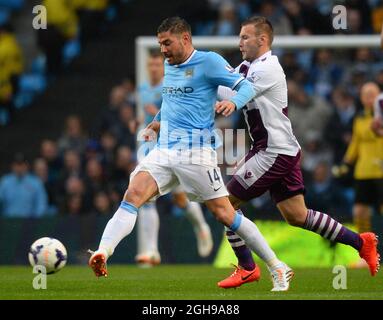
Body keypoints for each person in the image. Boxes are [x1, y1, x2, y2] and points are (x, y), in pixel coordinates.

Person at [89, 16, 291, 291]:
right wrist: (158, 120)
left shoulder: (209, 62)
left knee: (224, 213)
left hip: (195, 151)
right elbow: (171, 100)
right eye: (160, 44)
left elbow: (245, 86)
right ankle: (103, 252)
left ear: (185, 39)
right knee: (133, 195)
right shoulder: (170, 65)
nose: (163, 50)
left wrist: (233, 102)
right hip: (164, 150)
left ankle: (276, 265)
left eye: (167, 43)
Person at [214, 16, 380, 288]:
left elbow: (238, 91)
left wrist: (227, 96)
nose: (239, 42)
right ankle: (361, 242)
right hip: (282, 149)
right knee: (297, 216)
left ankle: (247, 267)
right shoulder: (246, 66)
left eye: (245, 37)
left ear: (262, 39)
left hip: (272, 151)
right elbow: (223, 86)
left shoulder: (269, 67)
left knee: (224, 205)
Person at [136, 50, 213, 265]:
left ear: (163, 67)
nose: (153, 68)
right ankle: (151, 251)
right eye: (150, 65)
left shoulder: (172, 86)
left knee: (180, 199)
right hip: (149, 146)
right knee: (145, 197)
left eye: (156, 65)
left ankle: (201, 226)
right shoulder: (142, 89)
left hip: (174, 145)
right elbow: (144, 116)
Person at [334, 82, 383, 269]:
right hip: (364, 171)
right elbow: (356, 142)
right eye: (365, 94)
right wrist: (346, 163)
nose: (368, 97)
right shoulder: (359, 117)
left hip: (381, 170)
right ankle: (366, 253)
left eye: (372, 94)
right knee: (359, 212)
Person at [0, 153, 48, 217]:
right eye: (17, 165)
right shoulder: (5, 182)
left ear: (26, 166)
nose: (19, 168)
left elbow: (41, 205)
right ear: (12, 166)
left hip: (29, 222)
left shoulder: (36, 182)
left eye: (22, 165)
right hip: (8, 222)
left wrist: (36, 221)